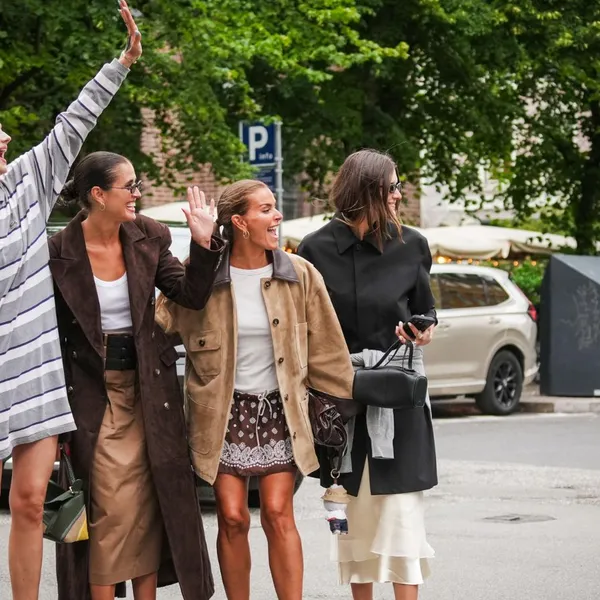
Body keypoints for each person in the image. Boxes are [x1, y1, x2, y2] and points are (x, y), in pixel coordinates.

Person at [155, 179, 356, 600]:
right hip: (221, 413)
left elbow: (329, 351)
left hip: (282, 410)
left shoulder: (299, 274)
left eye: (274, 207)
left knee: (278, 512)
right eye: (265, 209)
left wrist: (338, 416)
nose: (277, 215)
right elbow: (159, 325)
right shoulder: (205, 277)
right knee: (231, 517)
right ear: (239, 222)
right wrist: (199, 250)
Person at [0, 3, 141, 598]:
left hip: (33, 370)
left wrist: (121, 63)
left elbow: (72, 125)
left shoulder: (25, 185)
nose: (6, 136)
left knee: (31, 501)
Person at [48, 155, 223, 600]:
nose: (138, 193)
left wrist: (203, 244)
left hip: (150, 390)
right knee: (108, 507)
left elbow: (189, 295)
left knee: (150, 504)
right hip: (93, 394)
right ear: (98, 195)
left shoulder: (150, 235)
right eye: (129, 186)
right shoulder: (57, 251)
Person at [297, 149, 438, 600]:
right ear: (369, 190)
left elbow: (426, 310)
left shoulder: (412, 244)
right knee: (354, 519)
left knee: (401, 514)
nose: (399, 194)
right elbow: (306, 326)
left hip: (398, 393)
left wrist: (420, 331)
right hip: (341, 396)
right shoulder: (314, 249)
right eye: (393, 186)